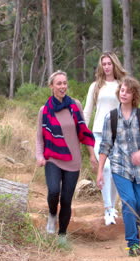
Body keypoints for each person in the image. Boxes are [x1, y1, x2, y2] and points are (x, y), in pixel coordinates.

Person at [36, 70, 98, 245]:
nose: (63, 86)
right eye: (59, 83)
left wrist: (92, 155)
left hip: (73, 161)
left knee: (66, 200)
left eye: (65, 83)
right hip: (52, 158)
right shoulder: (44, 110)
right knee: (54, 191)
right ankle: (51, 214)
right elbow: (39, 137)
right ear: (51, 86)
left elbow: (84, 132)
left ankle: (62, 235)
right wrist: (40, 156)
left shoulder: (75, 105)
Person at [96, 76, 140, 257]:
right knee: (129, 203)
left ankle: (134, 225)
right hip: (119, 166)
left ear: (134, 94)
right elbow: (105, 146)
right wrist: (100, 173)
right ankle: (133, 244)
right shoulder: (111, 117)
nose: (124, 93)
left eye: (128, 91)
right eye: (122, 90)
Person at [83, 52, 127, 226]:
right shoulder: (95, 86)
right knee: (106, 168)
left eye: (109, 63)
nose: (107, 67)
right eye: (104, 64)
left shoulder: (122, 85)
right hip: (99, 133)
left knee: (116, 171)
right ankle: (108, 208)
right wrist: (83, 132)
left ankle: (113, 207)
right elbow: (87, 110)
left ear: (114, 64)